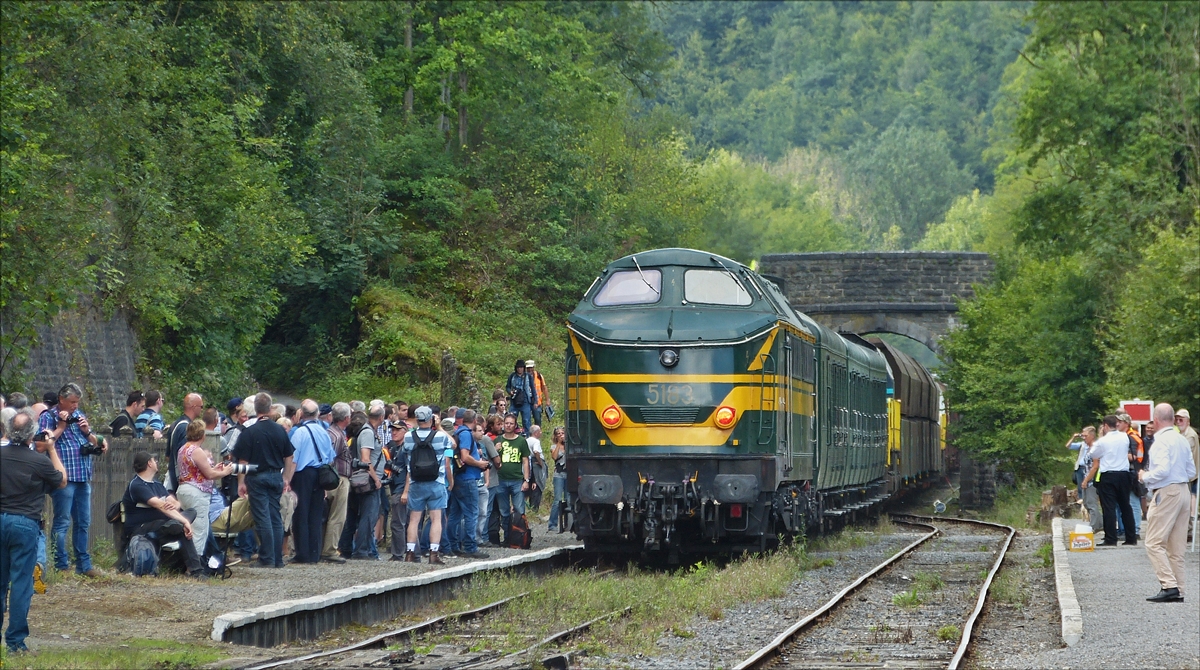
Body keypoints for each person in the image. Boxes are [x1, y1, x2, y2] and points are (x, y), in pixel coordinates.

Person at [1, 409, 66, 653]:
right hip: (24, 522)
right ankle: (15, 642)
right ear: (31, 435)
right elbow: (61, 480)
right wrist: (50, 448)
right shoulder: (38, 461)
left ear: (7, 431)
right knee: (20, 583)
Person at [38, 383, 107, 577]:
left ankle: (84, 565)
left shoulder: (79, 415)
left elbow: (96, 442)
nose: (75, 406)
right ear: (61, 400)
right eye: (72, 402)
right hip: (64, 478)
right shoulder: (48, 417)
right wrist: (61, 427)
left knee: (83, 522)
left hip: (83, 476)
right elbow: (42, 446)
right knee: (62, 522)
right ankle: (61, 565)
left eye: (77, 402)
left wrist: (87, 432)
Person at [1140, 403, 1198, 602]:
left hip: (1167, 491)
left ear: (1155, 420)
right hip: (1184, 490)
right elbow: (1192, 472)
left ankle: (1169, 585)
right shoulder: (1182, 440)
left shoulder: (1160, 442)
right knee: (1177, 546)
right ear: (1173, 419)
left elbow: (1162, 470)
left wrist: (1145, 476)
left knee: (1153, 542)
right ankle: (1179, 589)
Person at [120, 451, 207, 579]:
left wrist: (175, 506)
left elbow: (174, 502)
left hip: (163, 525)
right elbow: (160, 505)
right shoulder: (137, 485)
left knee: (191, 512)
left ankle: (176, 525)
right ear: (149, 463)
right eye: (154, 461)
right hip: (142, 529)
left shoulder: (157, 484)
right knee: (180, 526)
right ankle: (196, 571)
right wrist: (185, 522)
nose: (157, 463)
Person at [232, 393, 295, 568]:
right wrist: (286, 478)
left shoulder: (249, 431)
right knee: (275, 516)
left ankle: (266, 557)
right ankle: (277, 557)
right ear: (270, 408)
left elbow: (243, 461)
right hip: (276, 475)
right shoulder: (280, 430)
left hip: (256, 476)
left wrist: (241, 482)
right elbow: (289, 455)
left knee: (263, 517)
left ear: (255, 409)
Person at [399, 406, 454, 564]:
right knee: (436, 518)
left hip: (415, 482)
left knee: (414, 519)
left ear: (416, 419)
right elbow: (452, 446)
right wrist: (440, 428)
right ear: (431, 419)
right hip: (436, 482)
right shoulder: (440, 437)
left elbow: (406, 454)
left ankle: (410, 552)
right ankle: (433, 553)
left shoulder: (409, 436)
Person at [175, 420, 235, 555]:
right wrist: (225, 472)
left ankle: (196, 559)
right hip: (197, 492)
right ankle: (195, 564)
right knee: (199, 529)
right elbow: (210, 474)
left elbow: (198, 471)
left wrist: (215, 468)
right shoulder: (197, 451)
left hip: (184, 488)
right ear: (202, 435)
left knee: (193, 526)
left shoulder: (183, 449)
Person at [287, 399, 335, 564]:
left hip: (303, 474)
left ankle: (303, 553)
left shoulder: (299, 433)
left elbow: (293, 460)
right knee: (316, 514)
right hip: (320, 473)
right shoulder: (324, 432)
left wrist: (287, 480)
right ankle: (315, 553)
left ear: (301, 413)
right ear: (317, 414)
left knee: (301, 513)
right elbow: (330, 457)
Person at [1084, 415, 1138, 546]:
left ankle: (1111, 538)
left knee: (1109, 507)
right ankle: (1131, 537)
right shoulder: (1125, 436)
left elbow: (1093, 454)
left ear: (1106, 426)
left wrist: (1102, 438)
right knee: (1125, 506)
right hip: (1124, 474)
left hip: (1108, 475)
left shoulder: (1103, 441)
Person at [340, 407, 385, 560]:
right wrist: (376, 478)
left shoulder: (366, 431)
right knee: (368, 516)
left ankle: (347, 548)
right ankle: (361, 550)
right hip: (366, 481)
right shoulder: (367, 432)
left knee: (353, 515)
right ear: (381, 417)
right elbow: (366, 458)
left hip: (360, 479)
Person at [446, 410, 490, 559]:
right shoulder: (466, 434)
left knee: (455, 514)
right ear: (475, 420)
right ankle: (470, 547)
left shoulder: (458, 432)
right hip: (467, 478)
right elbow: (464, 456)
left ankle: (453, 545)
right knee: (472, 513)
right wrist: (479, 463)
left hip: (459, 477)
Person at [494, 414, 532, 546]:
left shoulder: (521, 441)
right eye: (507, 423)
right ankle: (507, 538)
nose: (508, 425)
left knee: (519, 510)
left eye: (511, 423)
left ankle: (520, 537)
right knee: (504, 512)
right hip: (501, 480)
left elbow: (525, 461)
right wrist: (495, 449)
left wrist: (526, 479)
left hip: (517, 480)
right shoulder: (498, 440)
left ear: (515, 425)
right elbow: (492, 459)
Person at [322, 402, 352, 563]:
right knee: (337, 516)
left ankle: (325, 548)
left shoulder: (332, 432)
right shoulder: (336, 435)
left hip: (335, 478)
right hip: (337, 479)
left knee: (328, 516)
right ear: (346, 418)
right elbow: (329, 458)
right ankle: (330, 550)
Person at [165, 393, 204, 492]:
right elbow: (186, 458)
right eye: (201, 406)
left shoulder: (175, 424)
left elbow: (167, 456)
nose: (202, 409)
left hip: (173, 475)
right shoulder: (186, 428)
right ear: (194, 407)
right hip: (182, 482)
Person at [1116, 413, 1145, 538]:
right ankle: (1130, 530)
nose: (1117, 424)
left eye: (1120, 422)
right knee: (1127, 502)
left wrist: (1117, 454)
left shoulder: (1131, 437)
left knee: (1133, 502)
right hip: (1128, 471)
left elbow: (1134, 456)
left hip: (1133, 472)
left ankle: (1136, 530)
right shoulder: (1125, 436)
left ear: (1126, 424)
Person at [386, 421, 411, 561]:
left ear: (405, 431)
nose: (393, 432)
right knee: (402, 521)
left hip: (402, 488)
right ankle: (406, 551)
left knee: (398, 522)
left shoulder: (406, 448)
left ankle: (398, 553)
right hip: (396, 486)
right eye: (392, 430)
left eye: (397, 430)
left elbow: (409, 471)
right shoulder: (395, 448)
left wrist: (406, 491)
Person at [474, 419, 497, 546]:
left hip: (482, 483)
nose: (482, 432)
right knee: (472, 513)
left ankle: (479, 537)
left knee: (483, 512)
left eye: (482, 430)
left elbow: (486, 463)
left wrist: (487, 481)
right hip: (472, 482)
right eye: (479, 430)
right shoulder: (468, 446)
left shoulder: (481, 446)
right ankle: (469, 539)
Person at [1176, 409, 1199, 520]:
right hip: (1186, 473)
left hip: (1189, 474)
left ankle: (1189, 529)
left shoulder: (1190, 435)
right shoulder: (1182, 434)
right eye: (1177, 420)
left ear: (1188, 421)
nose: (1178, 422)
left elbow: (1183, 453)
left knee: (1188, 499)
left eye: (1181, 419)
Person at [505, 360, 537, 433]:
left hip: (525, 400)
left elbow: (533, 388)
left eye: (521, 367)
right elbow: (507, 387)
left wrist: (535, 401)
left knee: (526, 420)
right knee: (511, 418)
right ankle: (511, 434)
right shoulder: (512, 376)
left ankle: (527, 437)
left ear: (524, 368)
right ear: (516, 368)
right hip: (514, 400)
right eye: (518, 368)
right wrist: (510, 392)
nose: (520, 369)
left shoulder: (528, 376)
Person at [548, 426, 569, 532]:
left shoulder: (569, 446)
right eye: (559, 434)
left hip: (569, 474)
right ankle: (552, 524)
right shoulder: (553, 446)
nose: (561, 435)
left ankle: (569, 523)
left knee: (569, 499)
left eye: (562, 433)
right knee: (557, 500)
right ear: (556, 436)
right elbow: (555, 457)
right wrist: (558, 445)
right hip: (559, 475)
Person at [527, 425, 546, 511]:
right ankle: (535, 508)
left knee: (531, 485)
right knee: (538, 485)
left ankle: (531, 506)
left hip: (528, 463)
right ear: (536, 433)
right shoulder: (536, 441)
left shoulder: (526, 440)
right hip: (535, 464)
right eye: (540, 431)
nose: (541, 433)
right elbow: (536, 451)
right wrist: (540, 462)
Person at [527, 361, 551, 426]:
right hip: (527, 402)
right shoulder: (524, 376)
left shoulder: (538, 376)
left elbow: (544, 388)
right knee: (526, 420)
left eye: (531, 367)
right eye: (528, 368)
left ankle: (537, 434)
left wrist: (547, 400)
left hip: (537, 402)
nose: (530, 369)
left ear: (533, 367)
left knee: (538, 420)